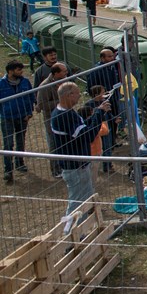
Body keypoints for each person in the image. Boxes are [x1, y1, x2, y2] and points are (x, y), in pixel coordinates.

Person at [51, 82, 110, 215]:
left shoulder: (66, 112)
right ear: (69, 95)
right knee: (77, 204)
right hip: (75, 166)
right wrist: (99, 114)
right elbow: (87, 136)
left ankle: (81, 233)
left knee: (86, 201)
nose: (79, 96)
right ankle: (70, 232)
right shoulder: (64, 116)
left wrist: (97, 114)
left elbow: (83, 129)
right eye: (78, 93)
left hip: (80, 164)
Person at [0, 61, 35, 183]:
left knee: (21, 140)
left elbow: (31, 96)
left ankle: (20, 163)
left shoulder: (25, 82)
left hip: (22, 117)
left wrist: (30, 111)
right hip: (7, 118)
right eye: (18, 70)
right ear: (10, 71)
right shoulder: (1, 84)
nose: (21, 72)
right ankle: (8, 170)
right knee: (8, 143)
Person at [37, 62, 67, 178]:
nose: (67, 73)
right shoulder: (45, 86)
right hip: (52, 119)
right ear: (56, 73)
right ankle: (55, 169)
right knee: (54, 145)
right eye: (64, 71)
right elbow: (41, 105)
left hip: (64, 117)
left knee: (65, 142)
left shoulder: (65, 81)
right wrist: (61, 102)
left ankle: (64, 166)